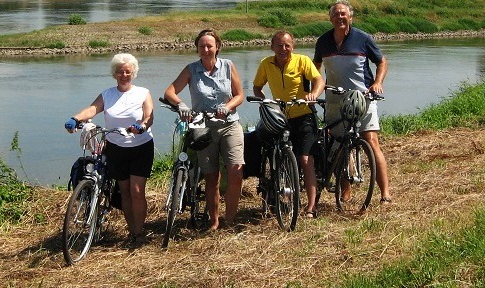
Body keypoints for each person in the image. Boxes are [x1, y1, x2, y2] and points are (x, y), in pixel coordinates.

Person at [64, 53, 154, 244]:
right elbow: (92, 109)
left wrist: (142, 126)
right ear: (114, 74)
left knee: (137, 190)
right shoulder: (107, 94)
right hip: (115, 147)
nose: (124, 75)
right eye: (120, 71)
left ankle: (140, 232)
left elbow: (149, 115)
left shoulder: (143, 92)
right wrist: (76, 118)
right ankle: (132, 231)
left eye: (128, 71)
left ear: (133, 73)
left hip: (141, 146)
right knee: (125, 191)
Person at [164, 29, 245, 229]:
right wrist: (181, 105)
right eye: (202, 46)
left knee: (235, 172)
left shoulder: (228, 66)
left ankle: (231, 219)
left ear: (217, 47)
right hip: (203, 126)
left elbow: (239, 95)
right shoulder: (191, 69)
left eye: (210, 46)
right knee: (211, 177)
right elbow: (169, 92)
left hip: (229, 124)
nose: (206, 49)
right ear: (197, 49)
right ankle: (214, 220)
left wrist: (227, 107)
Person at [313, 0, 392, 204]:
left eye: (343, 14)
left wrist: (377, 82)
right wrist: (312, 88)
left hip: (362, 98)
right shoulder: (323, 41)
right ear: (330, 18)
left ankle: (385, 194)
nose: (340, 17)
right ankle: (345, 192)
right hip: (335, 100)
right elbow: (315, 67)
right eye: (336, 14)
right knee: (339, 144)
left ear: (350, 16)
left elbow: (381, 61)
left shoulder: (363, 38)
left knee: (372, 142)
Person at [253, 30, 325, 218]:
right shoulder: (266, 64)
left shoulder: (302, 61)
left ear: (293, 46)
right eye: (279, 45)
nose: (283, 49)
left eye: (287, 45)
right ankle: (273, 193)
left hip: (303, 115)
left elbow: (319, 80)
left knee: (305, 159)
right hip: (280, 117)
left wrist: (313, 95)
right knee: (276, 153)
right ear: (272, 47)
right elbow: (257, 87)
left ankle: (310, 206)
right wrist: (265, 101)